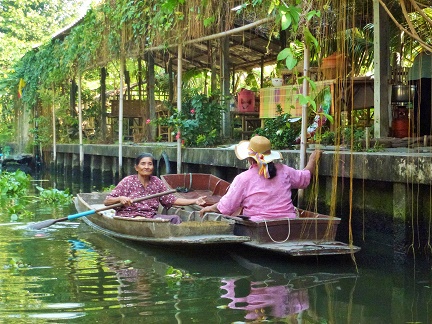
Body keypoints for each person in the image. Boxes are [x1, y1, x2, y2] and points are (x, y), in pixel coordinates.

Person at [199, 135, 321, 221]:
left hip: (258, 225)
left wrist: (209, 208)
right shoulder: (284, 170)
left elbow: (226, 207)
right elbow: (304, 178)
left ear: (250, 159)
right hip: (288, 223)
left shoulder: (243, 179)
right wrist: (312, 160)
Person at [104, 153, 206, 224]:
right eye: (143, 164)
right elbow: (107, 201)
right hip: (130, 217)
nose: (147, 167)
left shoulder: (156, 181)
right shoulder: (128, 181)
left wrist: (194, 201)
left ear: (153, 167)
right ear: (136, 167)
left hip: (151, 218)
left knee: (175, 219)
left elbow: (172, 200)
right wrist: (120, 198)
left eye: (150, 164)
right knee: (140, 221)